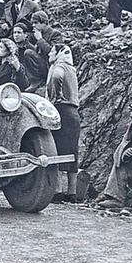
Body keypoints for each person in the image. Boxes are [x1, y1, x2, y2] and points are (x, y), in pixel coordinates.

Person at [44, 43, 81, 200]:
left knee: (57, 149)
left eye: (51, 51)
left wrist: (55, 96)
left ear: (58, 53)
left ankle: (57, 191)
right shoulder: (71, 67)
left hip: (61, 110)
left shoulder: (59, 65)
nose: (49, 55)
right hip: (73, 112)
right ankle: (72, 192)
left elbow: (57, 77)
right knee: (72, 152)